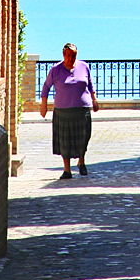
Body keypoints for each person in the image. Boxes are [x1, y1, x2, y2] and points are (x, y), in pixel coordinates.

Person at [39, 43, 99, 179]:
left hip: (82, 108)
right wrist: (44, 105)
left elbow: (90, 83)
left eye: (73, 56)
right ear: (63, 55)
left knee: (84, 137)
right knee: (65, 141)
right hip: (63, 110)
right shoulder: (56, 70)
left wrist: (94, 99)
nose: (71, 58)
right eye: (68, 56)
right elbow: (46, 87)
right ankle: (67, 170)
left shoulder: (84, 66)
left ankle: (81, 162)